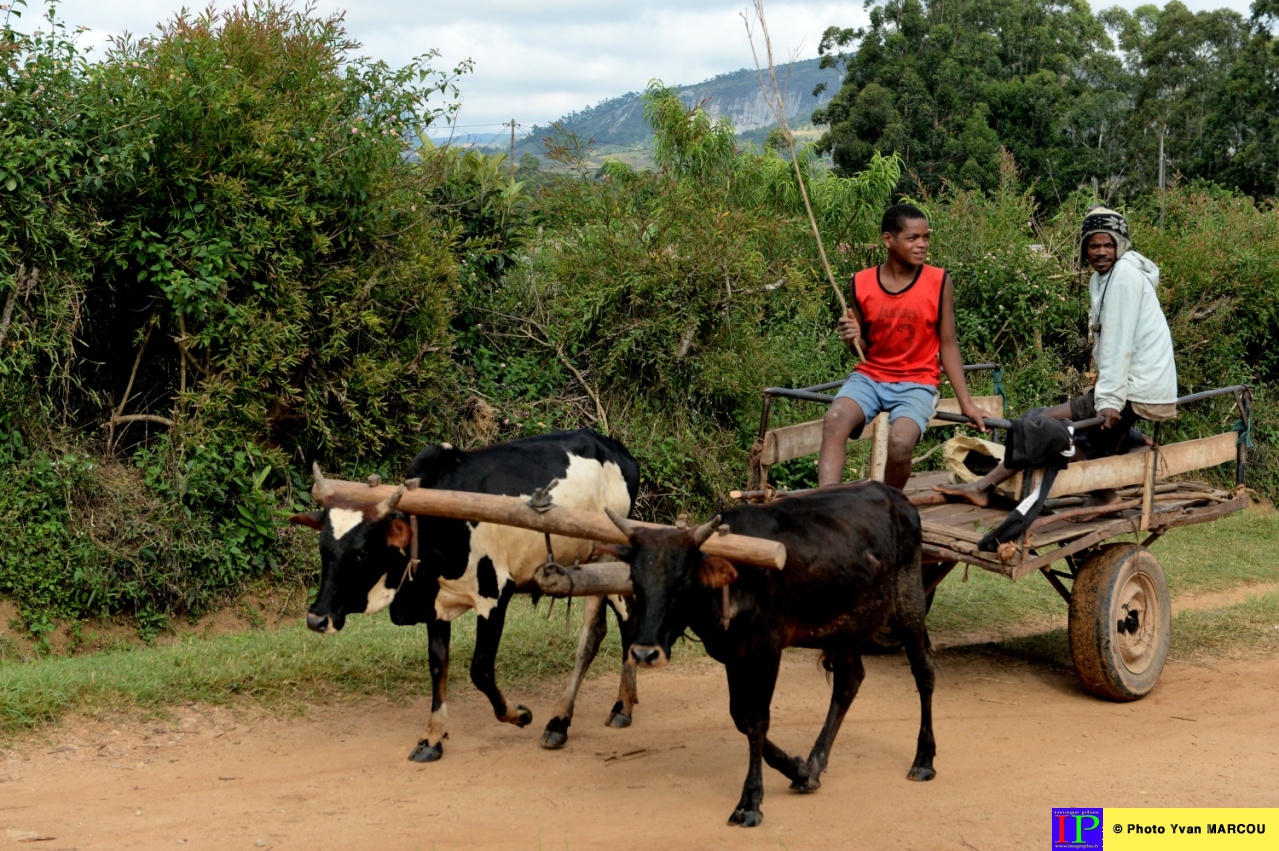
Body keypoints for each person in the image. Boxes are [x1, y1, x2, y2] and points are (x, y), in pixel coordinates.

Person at [935, 205, 1178, 507]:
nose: (1100, 252)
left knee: (1038, 421)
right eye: (1093, 245)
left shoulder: (1124, 276)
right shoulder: (1103, 278)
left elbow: (1119, 344)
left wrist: (1109, 402)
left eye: (1108, 244)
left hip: (1134, 387)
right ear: (1084, 248)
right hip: (1131, 385)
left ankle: (990, 487)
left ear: (1121, 245)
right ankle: (1108, 475)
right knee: (1060, 428)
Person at [818, 204, 989, 490]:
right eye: (913, 238)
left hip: (917, 381)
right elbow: (861, 348)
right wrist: (851, 337)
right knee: (834, 419)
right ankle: (827, 502)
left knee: (900, 443)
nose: (922, 245)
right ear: (888, 239)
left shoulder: (939, 281)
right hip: (871, 377)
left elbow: (948, 344)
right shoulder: (861, 283)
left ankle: (887, 503)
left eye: (925, 237)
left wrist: (966, 403)